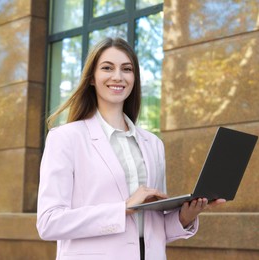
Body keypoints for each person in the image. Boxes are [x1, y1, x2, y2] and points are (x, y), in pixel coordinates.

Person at [36, 37, 225, 260]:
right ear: (92, 79)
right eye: (107, 68)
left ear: (134, 78)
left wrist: (185, 216)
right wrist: (123, 208)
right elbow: (49, 222)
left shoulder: (153, 144)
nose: (118, 76)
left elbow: (155, 227)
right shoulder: (66, 138)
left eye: (127, 69)